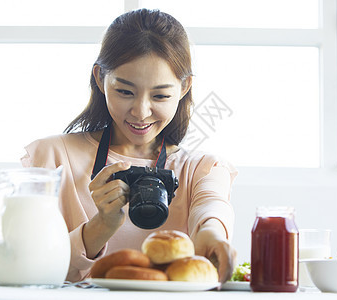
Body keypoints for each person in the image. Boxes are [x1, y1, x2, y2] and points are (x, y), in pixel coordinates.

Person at [21, 8, 237, 284]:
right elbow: (30, 269)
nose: (141, 112)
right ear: (100, 79)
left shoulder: (202, 169)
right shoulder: (50, 157)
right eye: (125, 92)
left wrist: (212, 234)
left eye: (160, 95)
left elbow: (211, 207)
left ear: (184, 88)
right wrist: (101, 225)